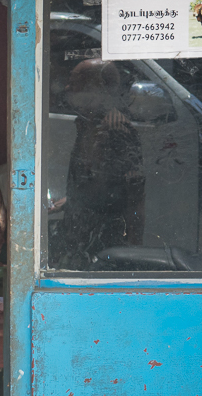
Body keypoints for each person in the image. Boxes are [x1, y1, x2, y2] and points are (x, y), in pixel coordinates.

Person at [49, 59, 145, 268]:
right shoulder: (85, 123)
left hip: (103, 242)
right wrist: (71, 200)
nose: (67, 88)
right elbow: (97, 182)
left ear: (95, 89)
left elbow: (132, 193)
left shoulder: (116, 129)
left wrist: (134, 246)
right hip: (80, 234)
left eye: (75, 83)